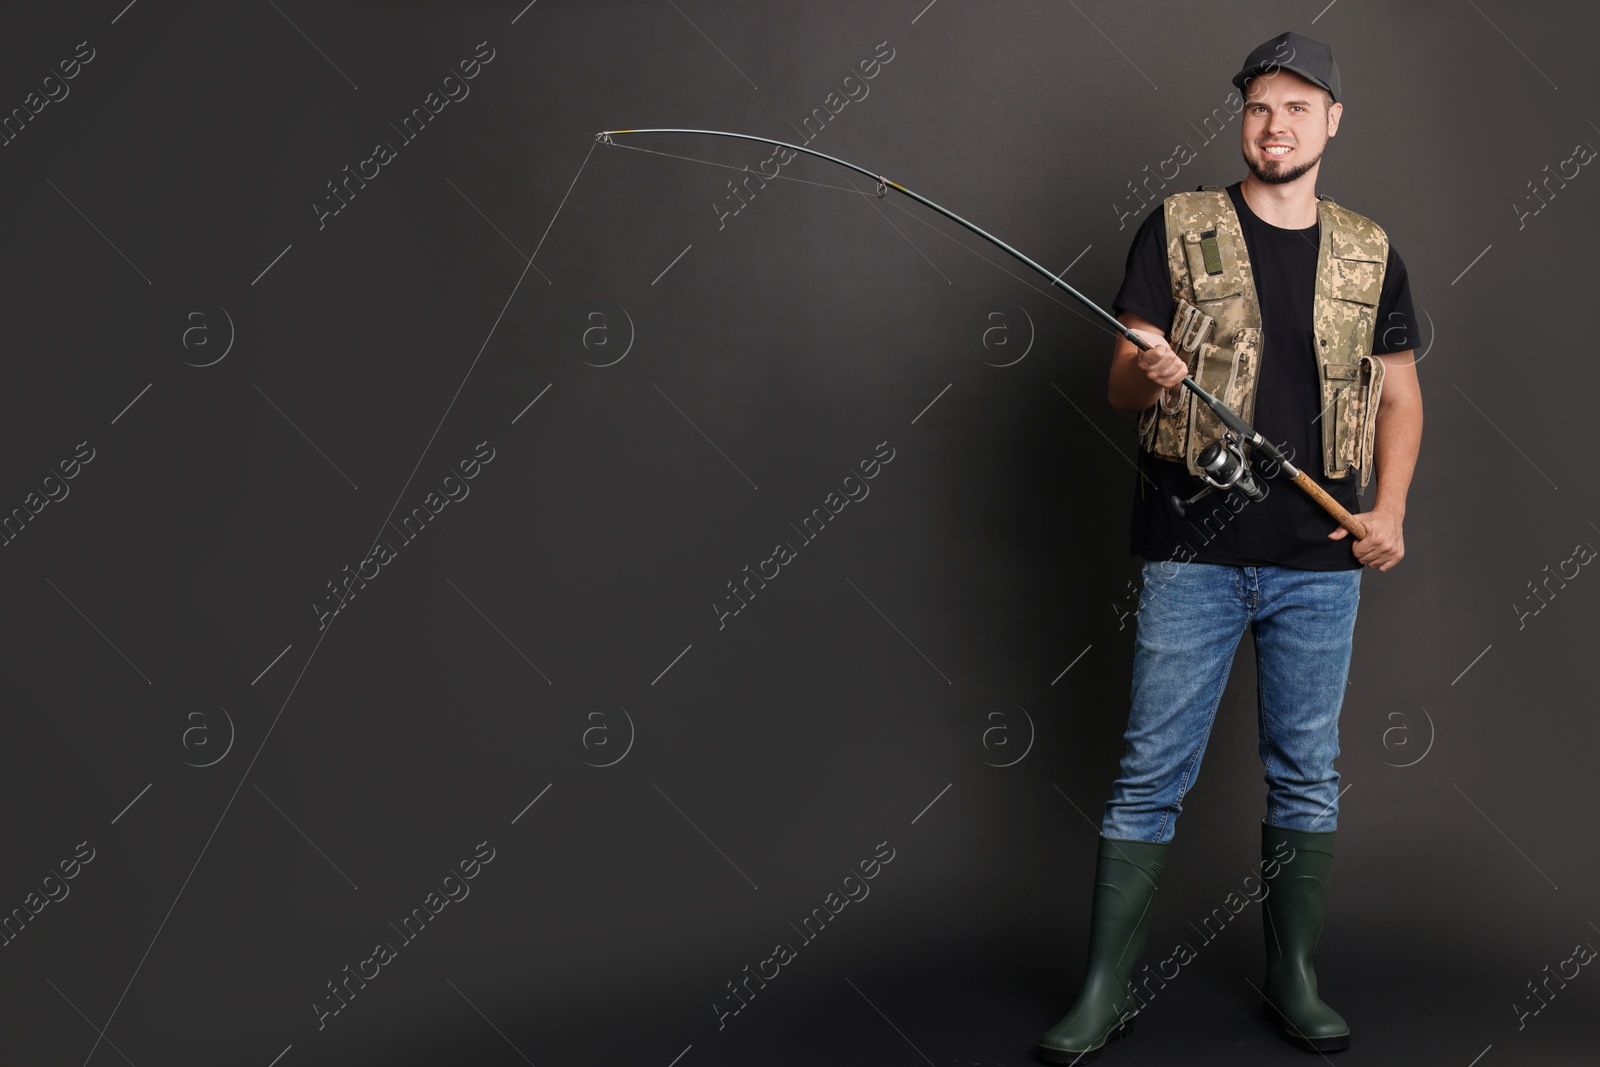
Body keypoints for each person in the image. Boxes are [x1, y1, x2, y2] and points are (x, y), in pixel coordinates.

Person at [1037, 30, 1423, 1062]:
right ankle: (1100, 991)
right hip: (1188, 549)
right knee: (1147, 769)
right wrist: (1146, 376)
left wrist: (1386, 510)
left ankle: (1293, 978)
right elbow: (1121, 381)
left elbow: (1399, 391)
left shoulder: (1369, 247)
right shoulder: (1176, 227)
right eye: (1260, 105)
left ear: (1331, 121)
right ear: (1239, 116)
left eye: (1299, 106)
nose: (1276, 123)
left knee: (1306, 771)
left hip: (1319, 556)